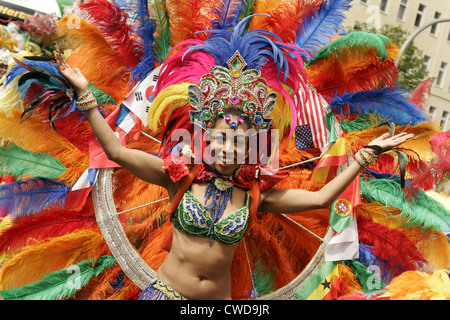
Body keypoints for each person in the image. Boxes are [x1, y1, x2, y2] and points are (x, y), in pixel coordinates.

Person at [55, 41, 414, 300]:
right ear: (205, 139)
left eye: (239, 144)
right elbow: (116, 149)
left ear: (250, 150)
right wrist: (86, 95)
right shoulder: (178, 176)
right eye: (220, 140)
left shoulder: (256, 195)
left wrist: (364, 157)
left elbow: (321, 196)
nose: (227, 149)